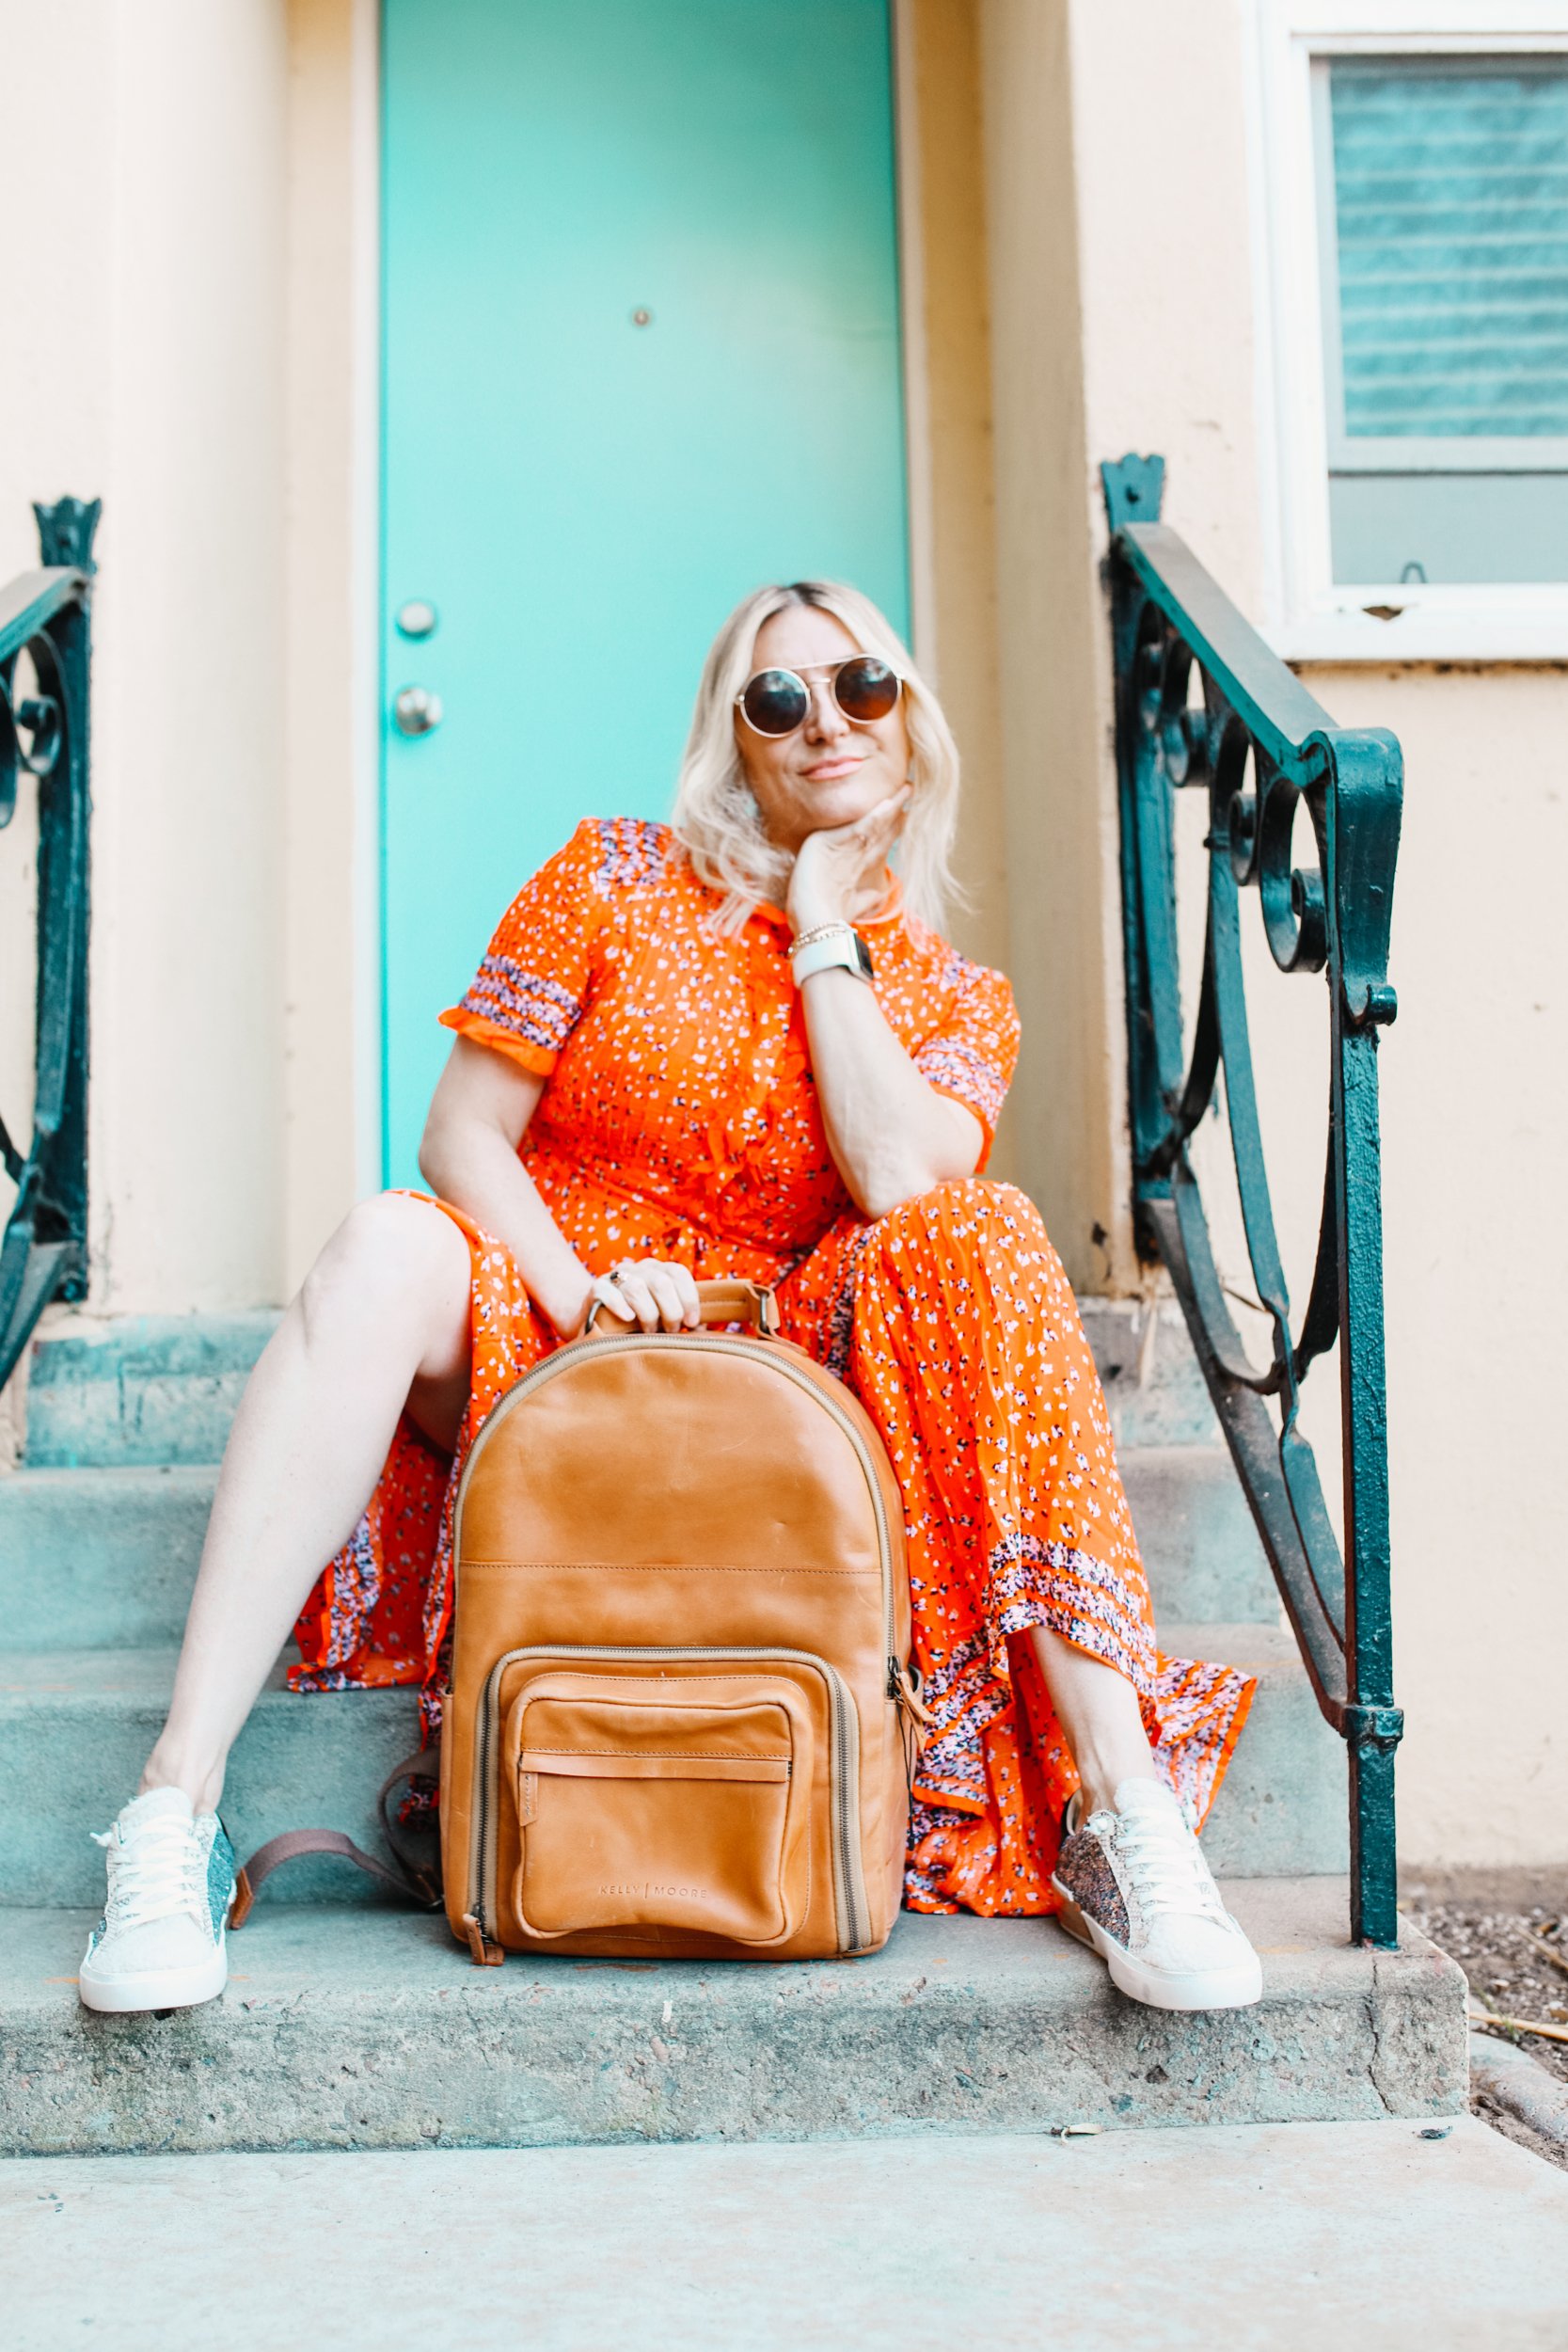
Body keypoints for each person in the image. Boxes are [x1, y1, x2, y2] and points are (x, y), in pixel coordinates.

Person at [79, 580, 1261, 2018]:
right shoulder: (609, 876)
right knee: (390, 1242)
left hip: (799, 1385)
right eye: (781, 700)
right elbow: (460, 1137)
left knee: (987, 1233)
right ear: (736, 741)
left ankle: (1121, 1819)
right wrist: (581, 1298)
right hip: (553, 1332)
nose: (825, 720)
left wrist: (825, 925)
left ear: (909, 720)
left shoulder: (956, 999)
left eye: (861, 687)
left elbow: (896, 1172)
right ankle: (171, 1810)